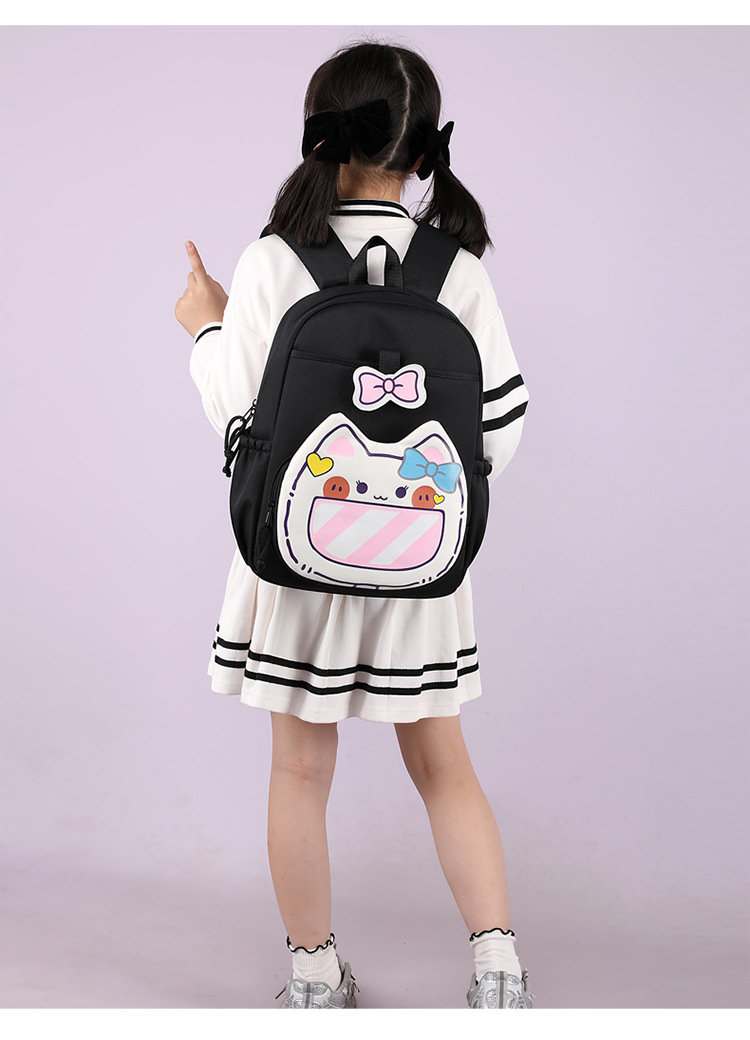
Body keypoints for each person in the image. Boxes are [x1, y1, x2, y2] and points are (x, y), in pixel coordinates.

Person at [175, 40, 533, 1010]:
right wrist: (410, 501)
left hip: (296, 565)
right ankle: (500, 971)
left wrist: (205, 323)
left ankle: (314, 978)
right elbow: (499, 429)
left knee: (299, 769)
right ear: (423, 153)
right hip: (422, 567)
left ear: (320, 138)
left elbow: (237, 416)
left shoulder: (271, 261)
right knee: (444, 764)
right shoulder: (458, 270)